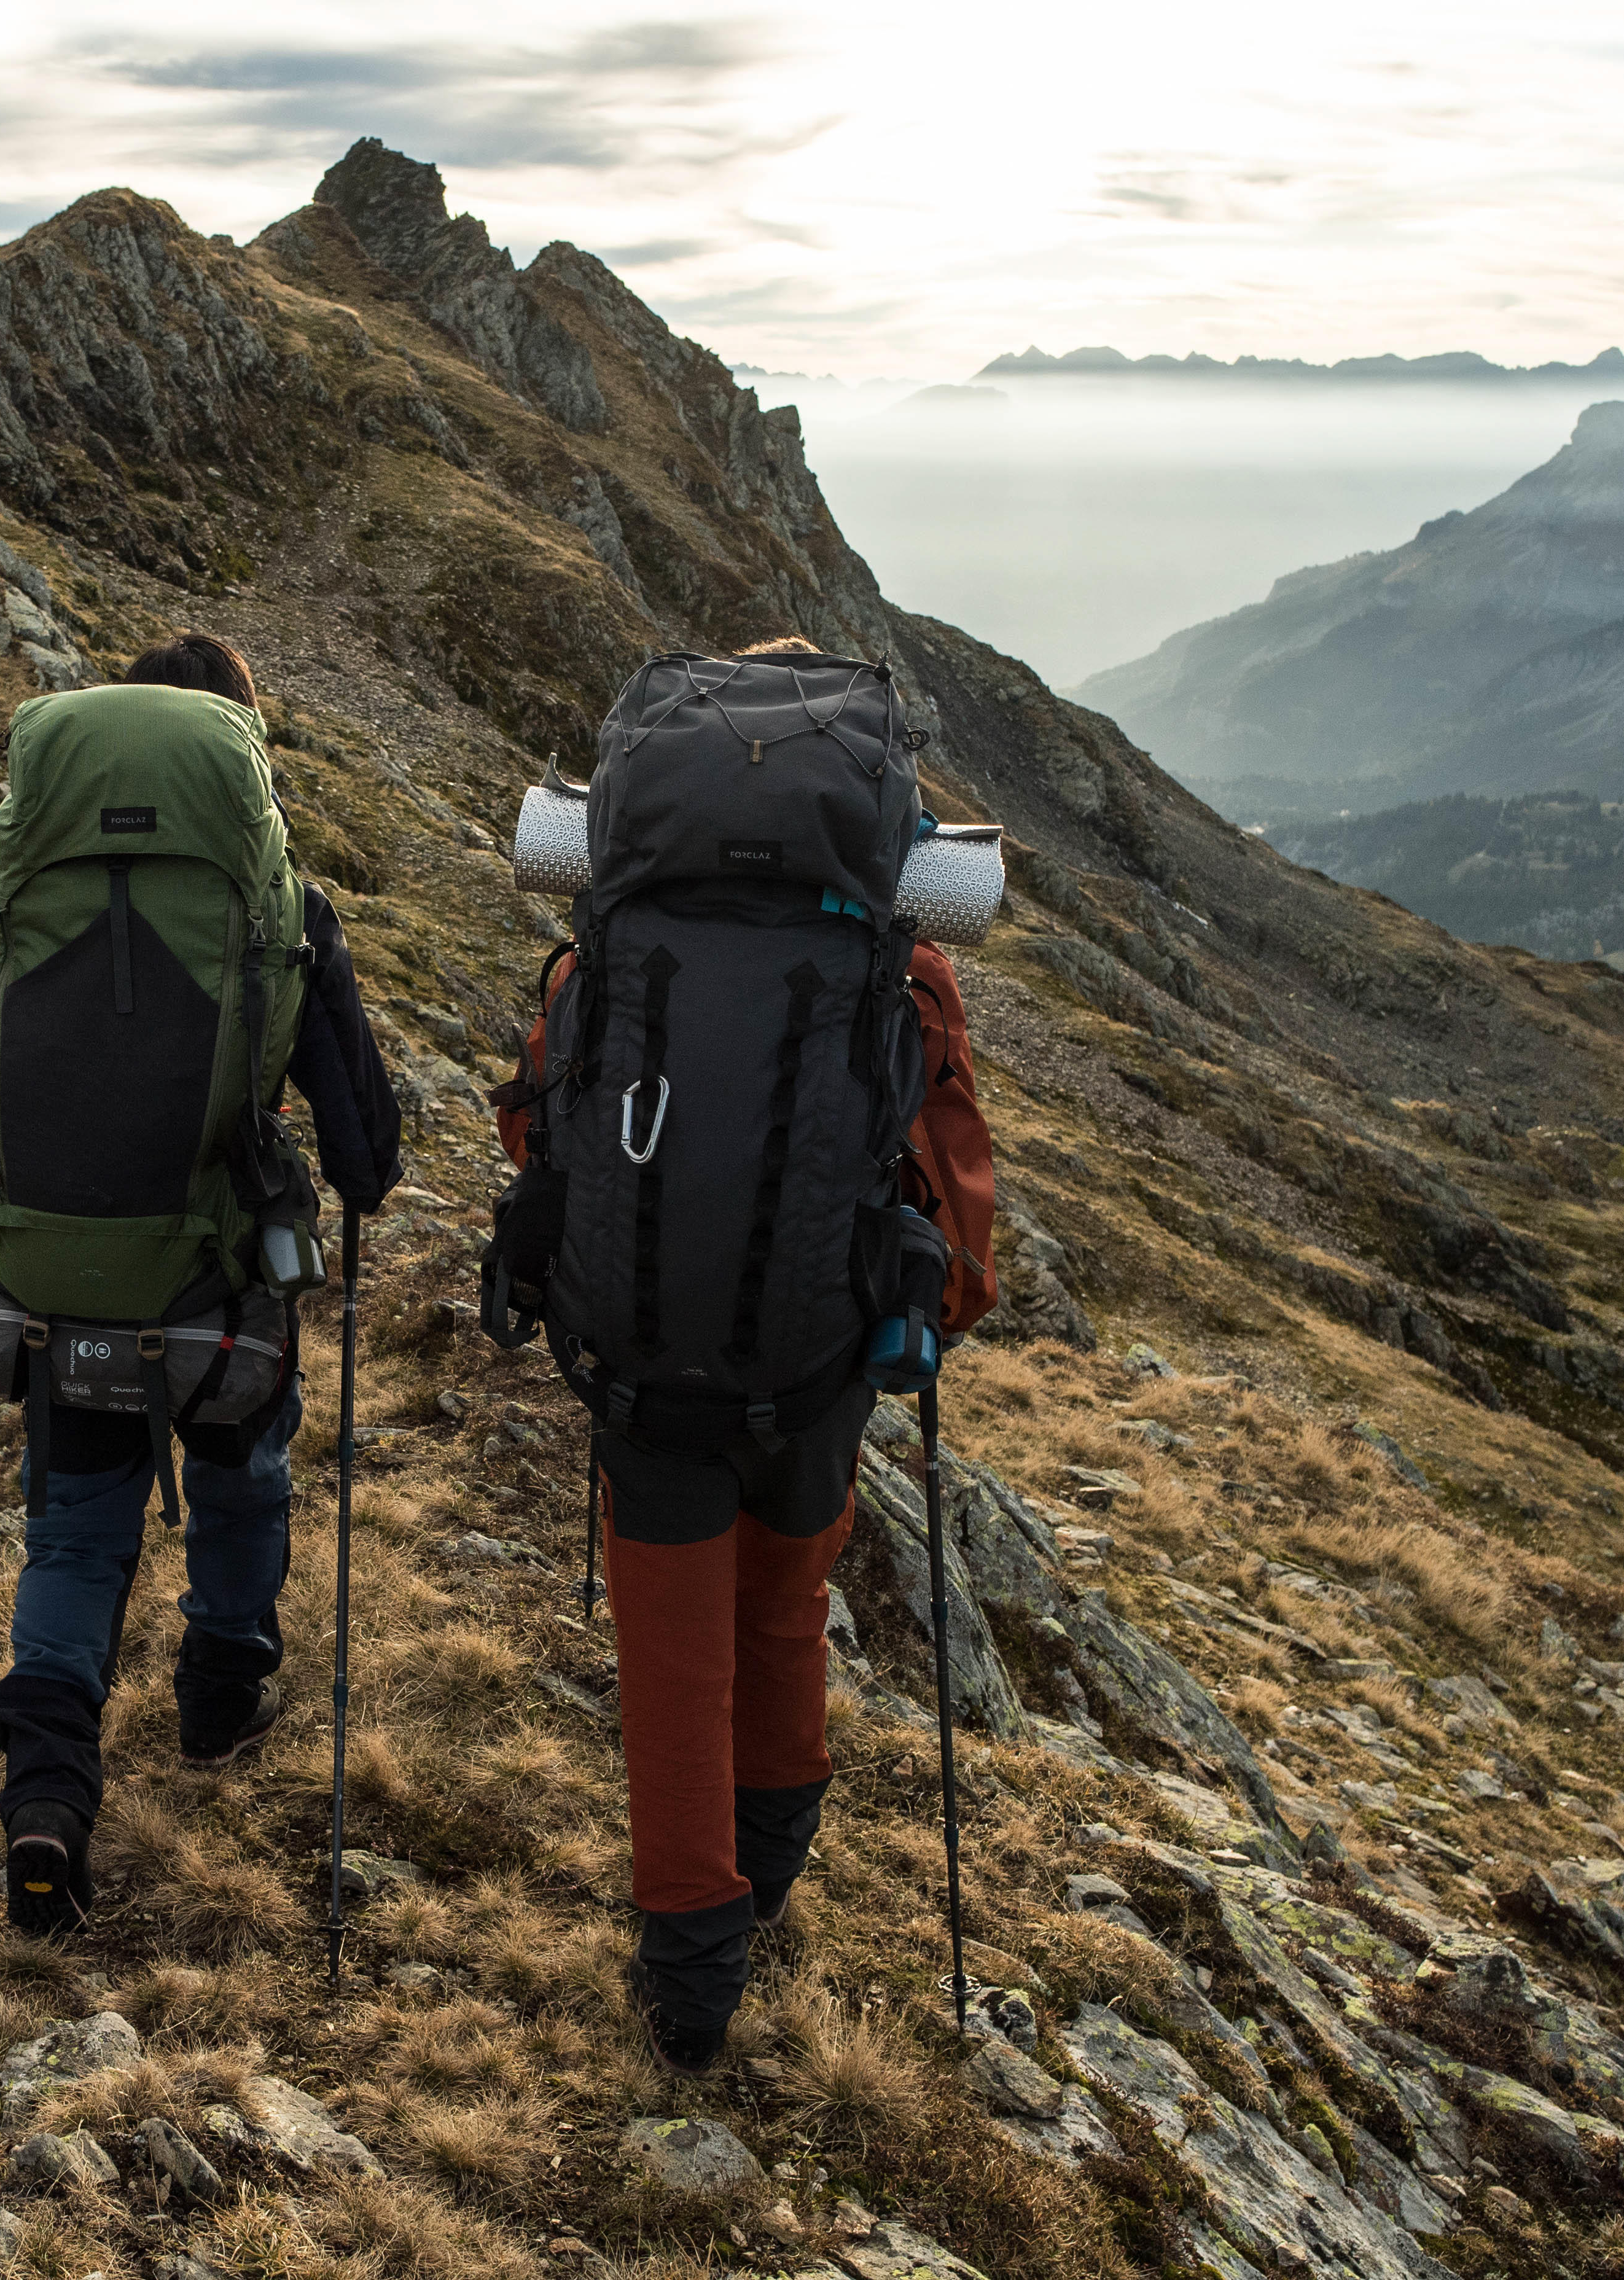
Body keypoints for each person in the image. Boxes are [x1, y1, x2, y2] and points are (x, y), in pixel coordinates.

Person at [487, 636, 996, 2069]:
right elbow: (952, 1189)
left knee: (668, 1658)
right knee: (780, 1612)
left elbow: (545, 1127)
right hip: (815, 1360)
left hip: (644, 1357)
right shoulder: (900, 972)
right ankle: (771, 1862)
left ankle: (691, 1983)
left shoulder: (611, 949)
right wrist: (911, 1315)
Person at [0, 631, 402, 1936]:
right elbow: (369, 1157)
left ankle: (47, 1795)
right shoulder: (283, 911)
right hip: (219, 1294)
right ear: (243, 759)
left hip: (59, 1279)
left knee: (78, 1534)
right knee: (243, 1474)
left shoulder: (22, 894)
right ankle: (219, 1696)